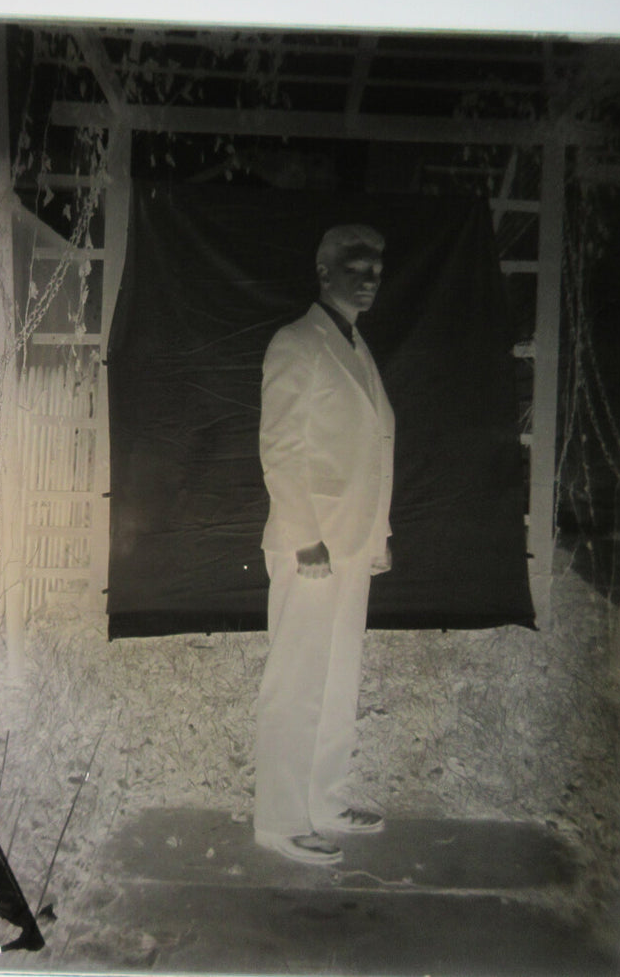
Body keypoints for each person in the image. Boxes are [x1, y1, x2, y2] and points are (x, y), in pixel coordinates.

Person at [253, 224, 395, 866]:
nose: (370, 278)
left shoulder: (357, 346)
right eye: (357, 266)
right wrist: (304, 537)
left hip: (352, 545)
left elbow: (372, 451)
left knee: (337, 682)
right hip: (309, 545)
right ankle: (280, 822)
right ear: (324, 271)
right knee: (297, 682)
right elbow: (280, 447)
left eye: (377, 268)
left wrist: (378, 535)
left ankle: (326, 801)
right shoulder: (297, 343)